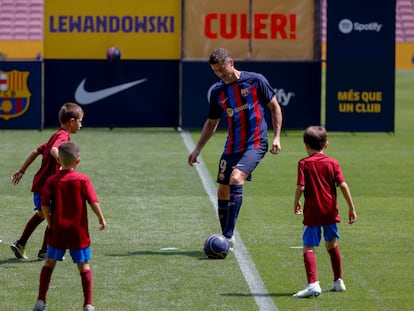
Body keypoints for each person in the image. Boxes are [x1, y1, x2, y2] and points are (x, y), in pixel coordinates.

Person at [188, 48, 283, 250]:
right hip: (233, 145)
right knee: (222, 191)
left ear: (231, 62)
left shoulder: (255, 81)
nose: (220, 74)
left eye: (222, 69)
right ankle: (225, 238)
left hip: (256, 142)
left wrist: (276, 137)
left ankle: (228, 236)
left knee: (235, 178)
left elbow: (274, 107)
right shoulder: (217, 92)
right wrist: (197, 149)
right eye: (216, 72)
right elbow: (211, 123)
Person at [33, 141, 107, 311]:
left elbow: (44, 204)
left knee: (49, 262)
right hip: (78, 231)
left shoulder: (51, 181)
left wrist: (51, 223)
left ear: (58, 160)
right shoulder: (83, 180)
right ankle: (88, 304)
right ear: (78, 161)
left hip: (58, 229)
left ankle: (41, 301)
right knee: (84, 265)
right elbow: (93, 201)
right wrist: (101, 218)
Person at [10, 103, 84, 260]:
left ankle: (22, 244)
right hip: (48, 186)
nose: (81, 125)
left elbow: (36, 151)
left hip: (40, 184)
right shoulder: (63, 137)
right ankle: (44, 251)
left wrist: (22, 170)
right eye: (80, 121)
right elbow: (53, 150)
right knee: (54, 217)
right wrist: (64, 164)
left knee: (43, 214)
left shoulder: (55, 135)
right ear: (71, 121)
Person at [292, 126, 357, 298]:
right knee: (331, 245)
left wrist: (296, 201)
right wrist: (351, 207)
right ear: (326, 145)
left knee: (308, 247)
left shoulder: (304, 163)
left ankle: (313, 284)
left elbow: (301, 186)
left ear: (306, 145)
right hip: (330, 212)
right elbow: (342, 185)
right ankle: (338, 281)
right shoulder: (333, 163)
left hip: (312, 212)